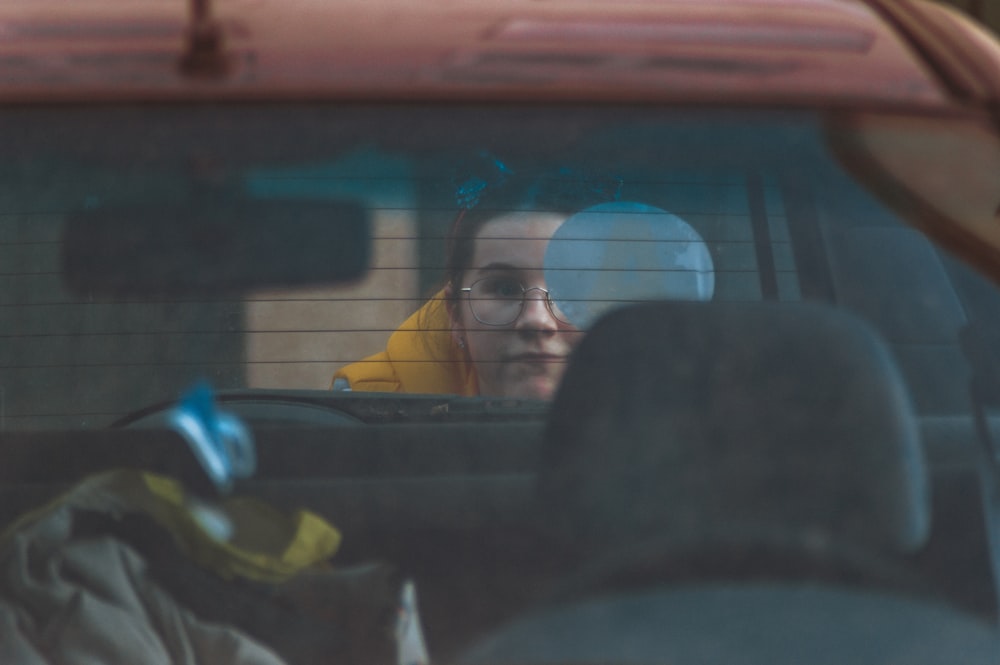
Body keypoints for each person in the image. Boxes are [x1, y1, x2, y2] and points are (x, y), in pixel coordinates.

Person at [332, 169, 606, 399]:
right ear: (455, 314)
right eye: (504, 288)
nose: (538, 321)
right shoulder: (365, 407)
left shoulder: (647, 414)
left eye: (568, 286)